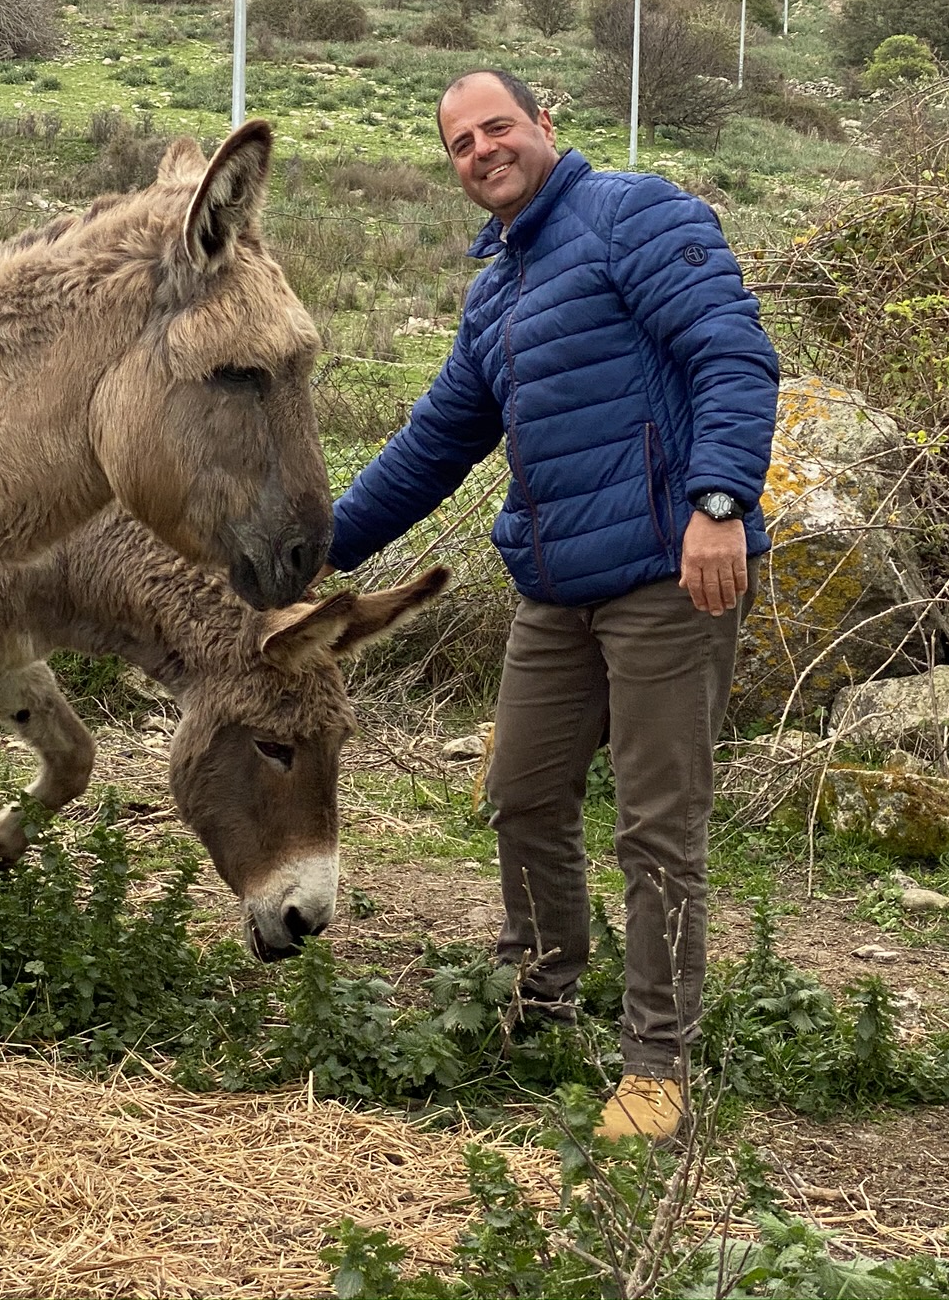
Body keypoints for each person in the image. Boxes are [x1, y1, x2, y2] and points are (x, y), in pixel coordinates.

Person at [330, 69, 779, 1143]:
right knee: (522, 793)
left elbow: (735, 353)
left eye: (497, 127)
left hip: (670, 576)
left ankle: (656, 1059)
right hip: (554, 588)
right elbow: (434, 443)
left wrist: (719, 500)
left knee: (657, 826)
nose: (482, 149)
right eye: (459, 144)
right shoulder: (499, 291)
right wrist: (312, 551)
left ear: (544, 124)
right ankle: (534, 995)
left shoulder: (636, 212)